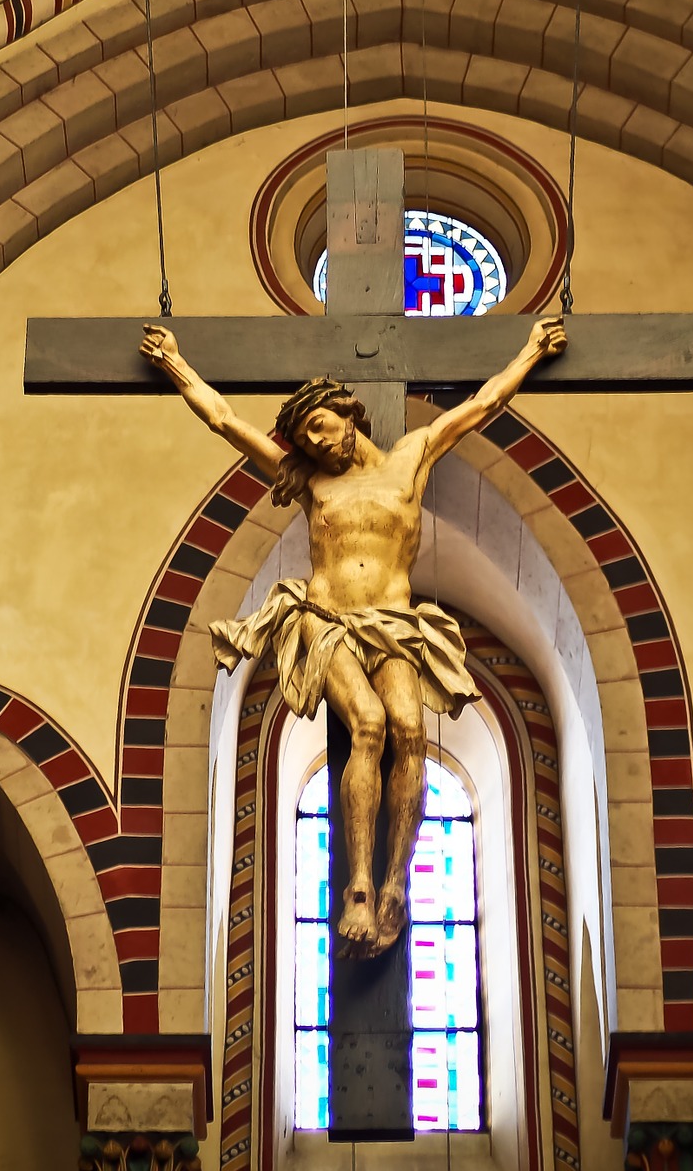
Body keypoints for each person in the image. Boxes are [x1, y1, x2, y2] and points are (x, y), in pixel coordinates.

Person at [138, 316, 567, 955]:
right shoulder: (313, 484)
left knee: (411, 731)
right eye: (306, 439)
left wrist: (531, 351)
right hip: (328, 620)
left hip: (394, 624)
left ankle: (396, 883)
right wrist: (175, 363)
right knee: (368, 724)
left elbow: (484, 404)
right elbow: (224, 421)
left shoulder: (412, 457)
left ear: (348, 413)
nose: (317, 443)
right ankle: (359, 884)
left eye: (320, 426)